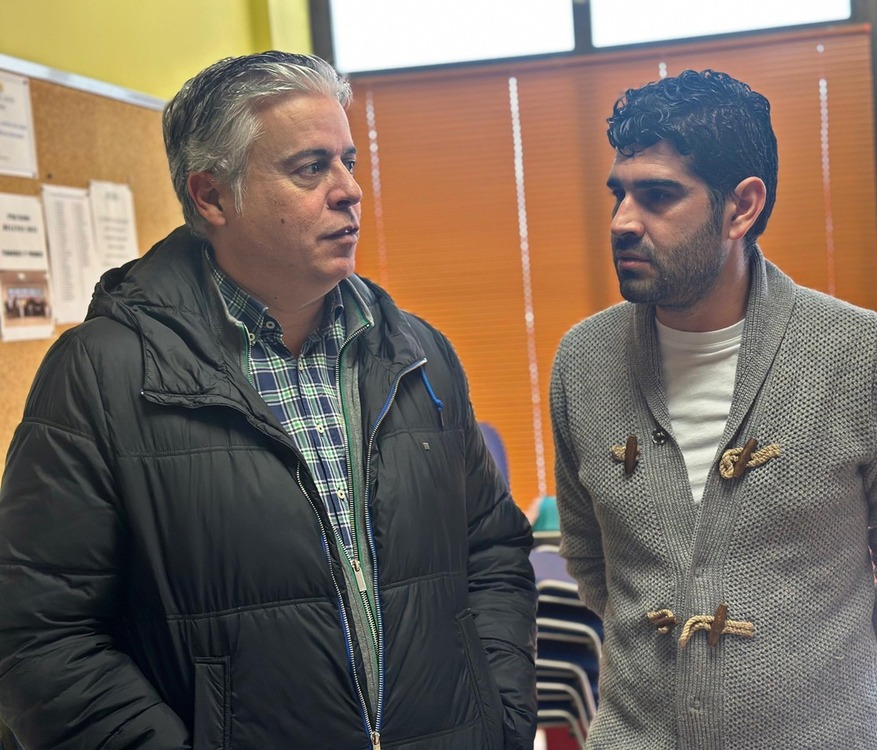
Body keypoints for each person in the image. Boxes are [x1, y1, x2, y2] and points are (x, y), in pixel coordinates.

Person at [0, 51, 537, 750]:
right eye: (310, 168)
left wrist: (495, 717)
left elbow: (492, 552)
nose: (349, 190)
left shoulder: (416, 354)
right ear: (212, 196)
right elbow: (37, 633)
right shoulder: (101, 374)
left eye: (347, 160)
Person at [548, 69, 877, 748]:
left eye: (658, 196)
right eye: (619, 194)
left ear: (741, 208)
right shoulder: (583, 362)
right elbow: (593, 563)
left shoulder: (862, 355)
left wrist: (820, 682)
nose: (624, 221)